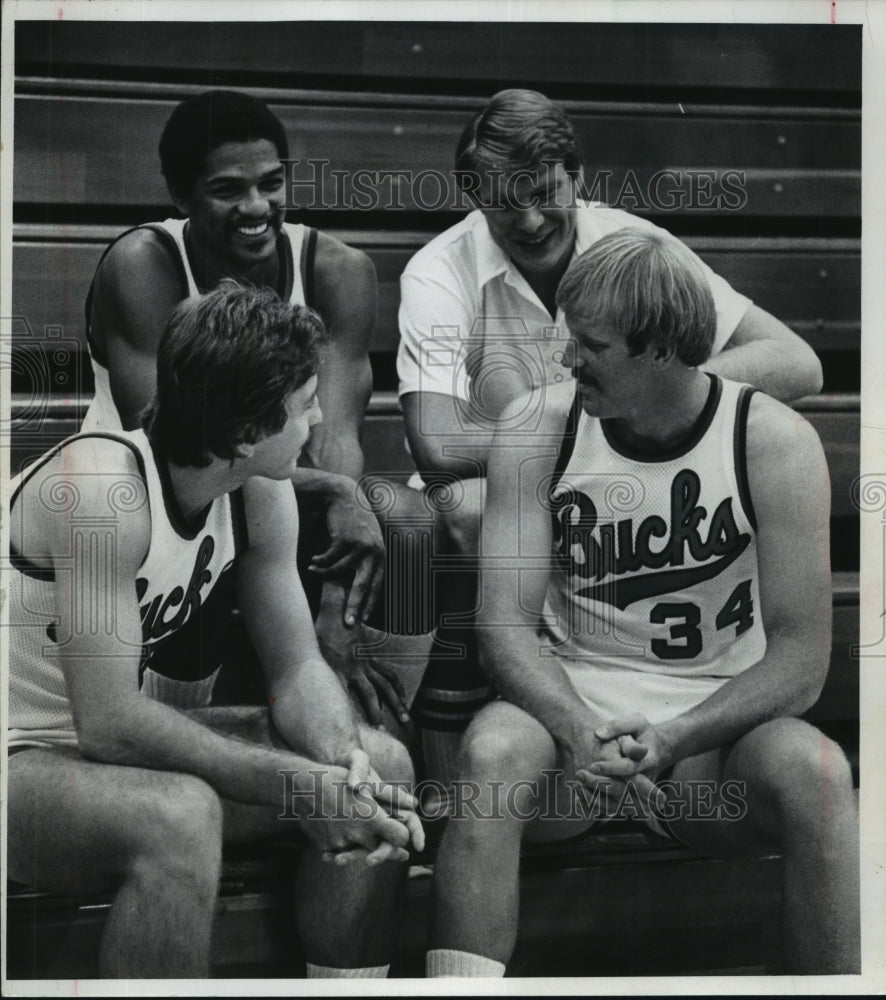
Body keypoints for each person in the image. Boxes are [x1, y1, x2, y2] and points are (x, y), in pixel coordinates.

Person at [424, 228, 858, 977]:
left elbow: (801, 661)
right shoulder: (536, 426)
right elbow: (504, 624)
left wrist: (676, 739)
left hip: (711, 738)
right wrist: (577, 728)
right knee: (492, 756)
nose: (567, 360)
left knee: (818, 772)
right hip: (570, 722)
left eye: (590, 345)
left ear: (660, 349)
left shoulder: (773, 442)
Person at [397, 87, 825, 783]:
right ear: (473, 195)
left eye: (545, 192)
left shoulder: (630, 245)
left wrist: (654, 386)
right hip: (509, 484)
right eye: (506, 202)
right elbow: (438, 444)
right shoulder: (438, 271)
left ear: (578, 175)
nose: (532, 219)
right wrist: (569, 423)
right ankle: (458, 746)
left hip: (621, 471)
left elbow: (798, 362)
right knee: (462, 515)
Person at [7, 284, 423, 979]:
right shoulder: (101, 488)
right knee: (181, 817)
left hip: (113, 759)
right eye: (304, 405)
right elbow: (108, 724)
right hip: (21, 757)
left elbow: (295, 667)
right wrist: (295, 780)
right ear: (243, 433)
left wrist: (339, 759)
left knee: (381, 772)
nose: (318, 418)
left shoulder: (259, 483)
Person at [82, 89, 410, 728]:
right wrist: (336, 489)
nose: (257, 207)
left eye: (272, 182)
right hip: (156, 505)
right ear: (181, 197)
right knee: (216, 535)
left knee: (410, 521)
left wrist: (336, 609)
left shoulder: (338, 270)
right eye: (228, 190)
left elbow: (334, 443)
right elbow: (180, 451)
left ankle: (387, 742)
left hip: (270, 491)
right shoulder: (143, 265)